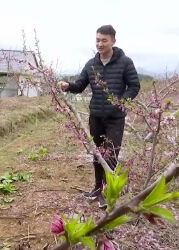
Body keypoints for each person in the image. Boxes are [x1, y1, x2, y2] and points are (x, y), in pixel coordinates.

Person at [58, 25, 140, 209]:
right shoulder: (91, 64)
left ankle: (106, 192)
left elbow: (134, 86)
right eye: (97, 40)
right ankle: (96, 188)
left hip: (115, 118)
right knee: (97, 154)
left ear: (113, 41)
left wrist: (121, 102)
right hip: (95, 117)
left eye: (104, 40)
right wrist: (67, 86)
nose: (100, 44)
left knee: (110, 154)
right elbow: (80, 86)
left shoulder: (125, 62)